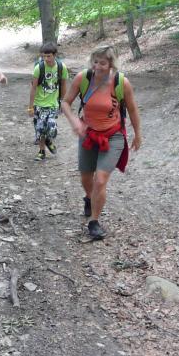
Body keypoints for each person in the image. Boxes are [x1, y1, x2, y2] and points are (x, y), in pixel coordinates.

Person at [60, 45, 142, 240]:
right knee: (86, 178)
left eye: (102, 63)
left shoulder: (121, 83)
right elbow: (65, 102)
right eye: (95, 62)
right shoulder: (83, 78)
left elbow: (132, 109)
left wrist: (137, 134)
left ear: (111, 64)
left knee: (100, 180)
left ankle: (94, 222)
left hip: (113, 136)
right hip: (88, 134)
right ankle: (89, 198)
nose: (97, 66)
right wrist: (74, 122)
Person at [28, 42, 69, 161]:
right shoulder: (39, 68)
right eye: (44, 56)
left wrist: (63, 102)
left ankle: (48, 140)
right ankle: (42, 152)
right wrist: (30, 107)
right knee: (40, 129)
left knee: (51, 128)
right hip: (39, 104)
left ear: (55, 55)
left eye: (49, 56)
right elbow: (33, 88)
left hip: (53, 104)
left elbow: (63, 85)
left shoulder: (61, 67)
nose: (46, 59)